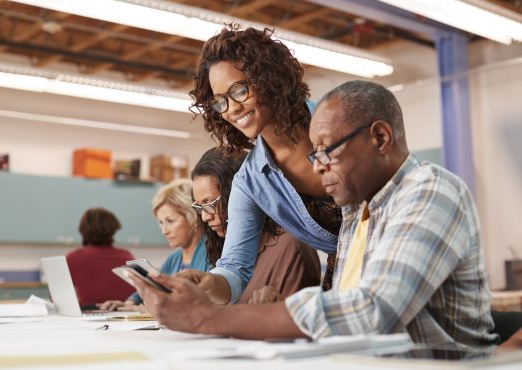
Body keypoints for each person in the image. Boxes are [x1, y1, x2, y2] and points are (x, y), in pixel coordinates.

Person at [130, 80, 498, 350]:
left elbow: (370, 313)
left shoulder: (428, 190)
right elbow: (344, 317)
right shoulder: (357, 213)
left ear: (380, 138)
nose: (317, 168)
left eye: (327, 152)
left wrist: (207, 317)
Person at [185, 23, 341, 304]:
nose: (231, 108)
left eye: (239, 90)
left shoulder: (338, 120)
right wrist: (208, 282)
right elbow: (234, 269)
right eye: (220, 102)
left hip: (400, 248)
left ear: (269, 77)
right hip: (346, 277)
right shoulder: (251, 183)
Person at [190, 147, 321, 304]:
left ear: (239, 194)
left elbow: (294, 322)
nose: (205, 216)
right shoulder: (224, 248)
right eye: (199, 207)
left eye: (210, 203)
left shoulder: (290, 246)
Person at [100, 179, 208, 311]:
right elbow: (154, 286)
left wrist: (139, 309)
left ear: (193, 217)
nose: (164, 231)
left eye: (170, 221)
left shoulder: (212, 252)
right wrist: (127, 303)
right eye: (160, 222)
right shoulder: (174, 257)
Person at [66, 208, 136, 307]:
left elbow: (58, 299)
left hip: (89, 315)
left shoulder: (74, 258)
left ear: (82, 230)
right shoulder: (127, 256)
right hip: (124, 315)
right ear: (113, 230)